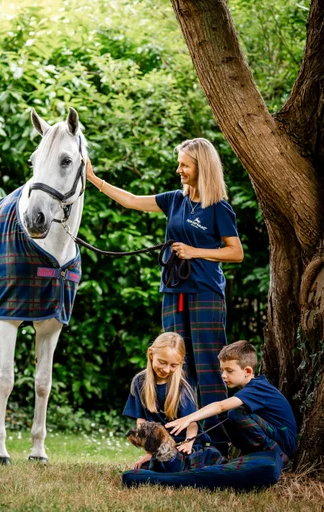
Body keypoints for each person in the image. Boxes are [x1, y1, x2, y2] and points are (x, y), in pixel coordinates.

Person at [87, 138, 243, 452]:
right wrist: (94, 180)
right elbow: (131, 200)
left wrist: (194, 251)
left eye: (185, 164)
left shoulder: (218, 208)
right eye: (180, 164)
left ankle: (215, 443)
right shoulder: (174, 200)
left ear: (202, 167)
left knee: (208, 367)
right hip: (174, 290)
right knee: (175, 366)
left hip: (205, 293)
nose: (179, 170)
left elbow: (235, 252)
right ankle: (176, 441)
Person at [164, 340, 297, 465]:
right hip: (276, 435)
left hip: (284, 442)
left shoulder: (258, 388)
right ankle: (250, 455)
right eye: (222, 370)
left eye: (229, 370)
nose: (223, 375)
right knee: (228, 415)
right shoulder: (250, 388)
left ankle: (278, 457)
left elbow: (220, 406)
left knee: (235, 413)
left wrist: (187, 419)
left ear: (248, 371)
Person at [123, 332, 200, 470]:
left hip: (182, 443)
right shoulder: (139, 382)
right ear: (151, 354)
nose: (166, 369)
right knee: (144, 469)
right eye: (162, 362)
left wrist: (188, 443)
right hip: (157, 445)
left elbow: (192, 422)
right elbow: (142, 422)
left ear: (180, 363)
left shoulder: (182, 387)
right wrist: (149, 452)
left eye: (173, 365)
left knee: (172, 467)